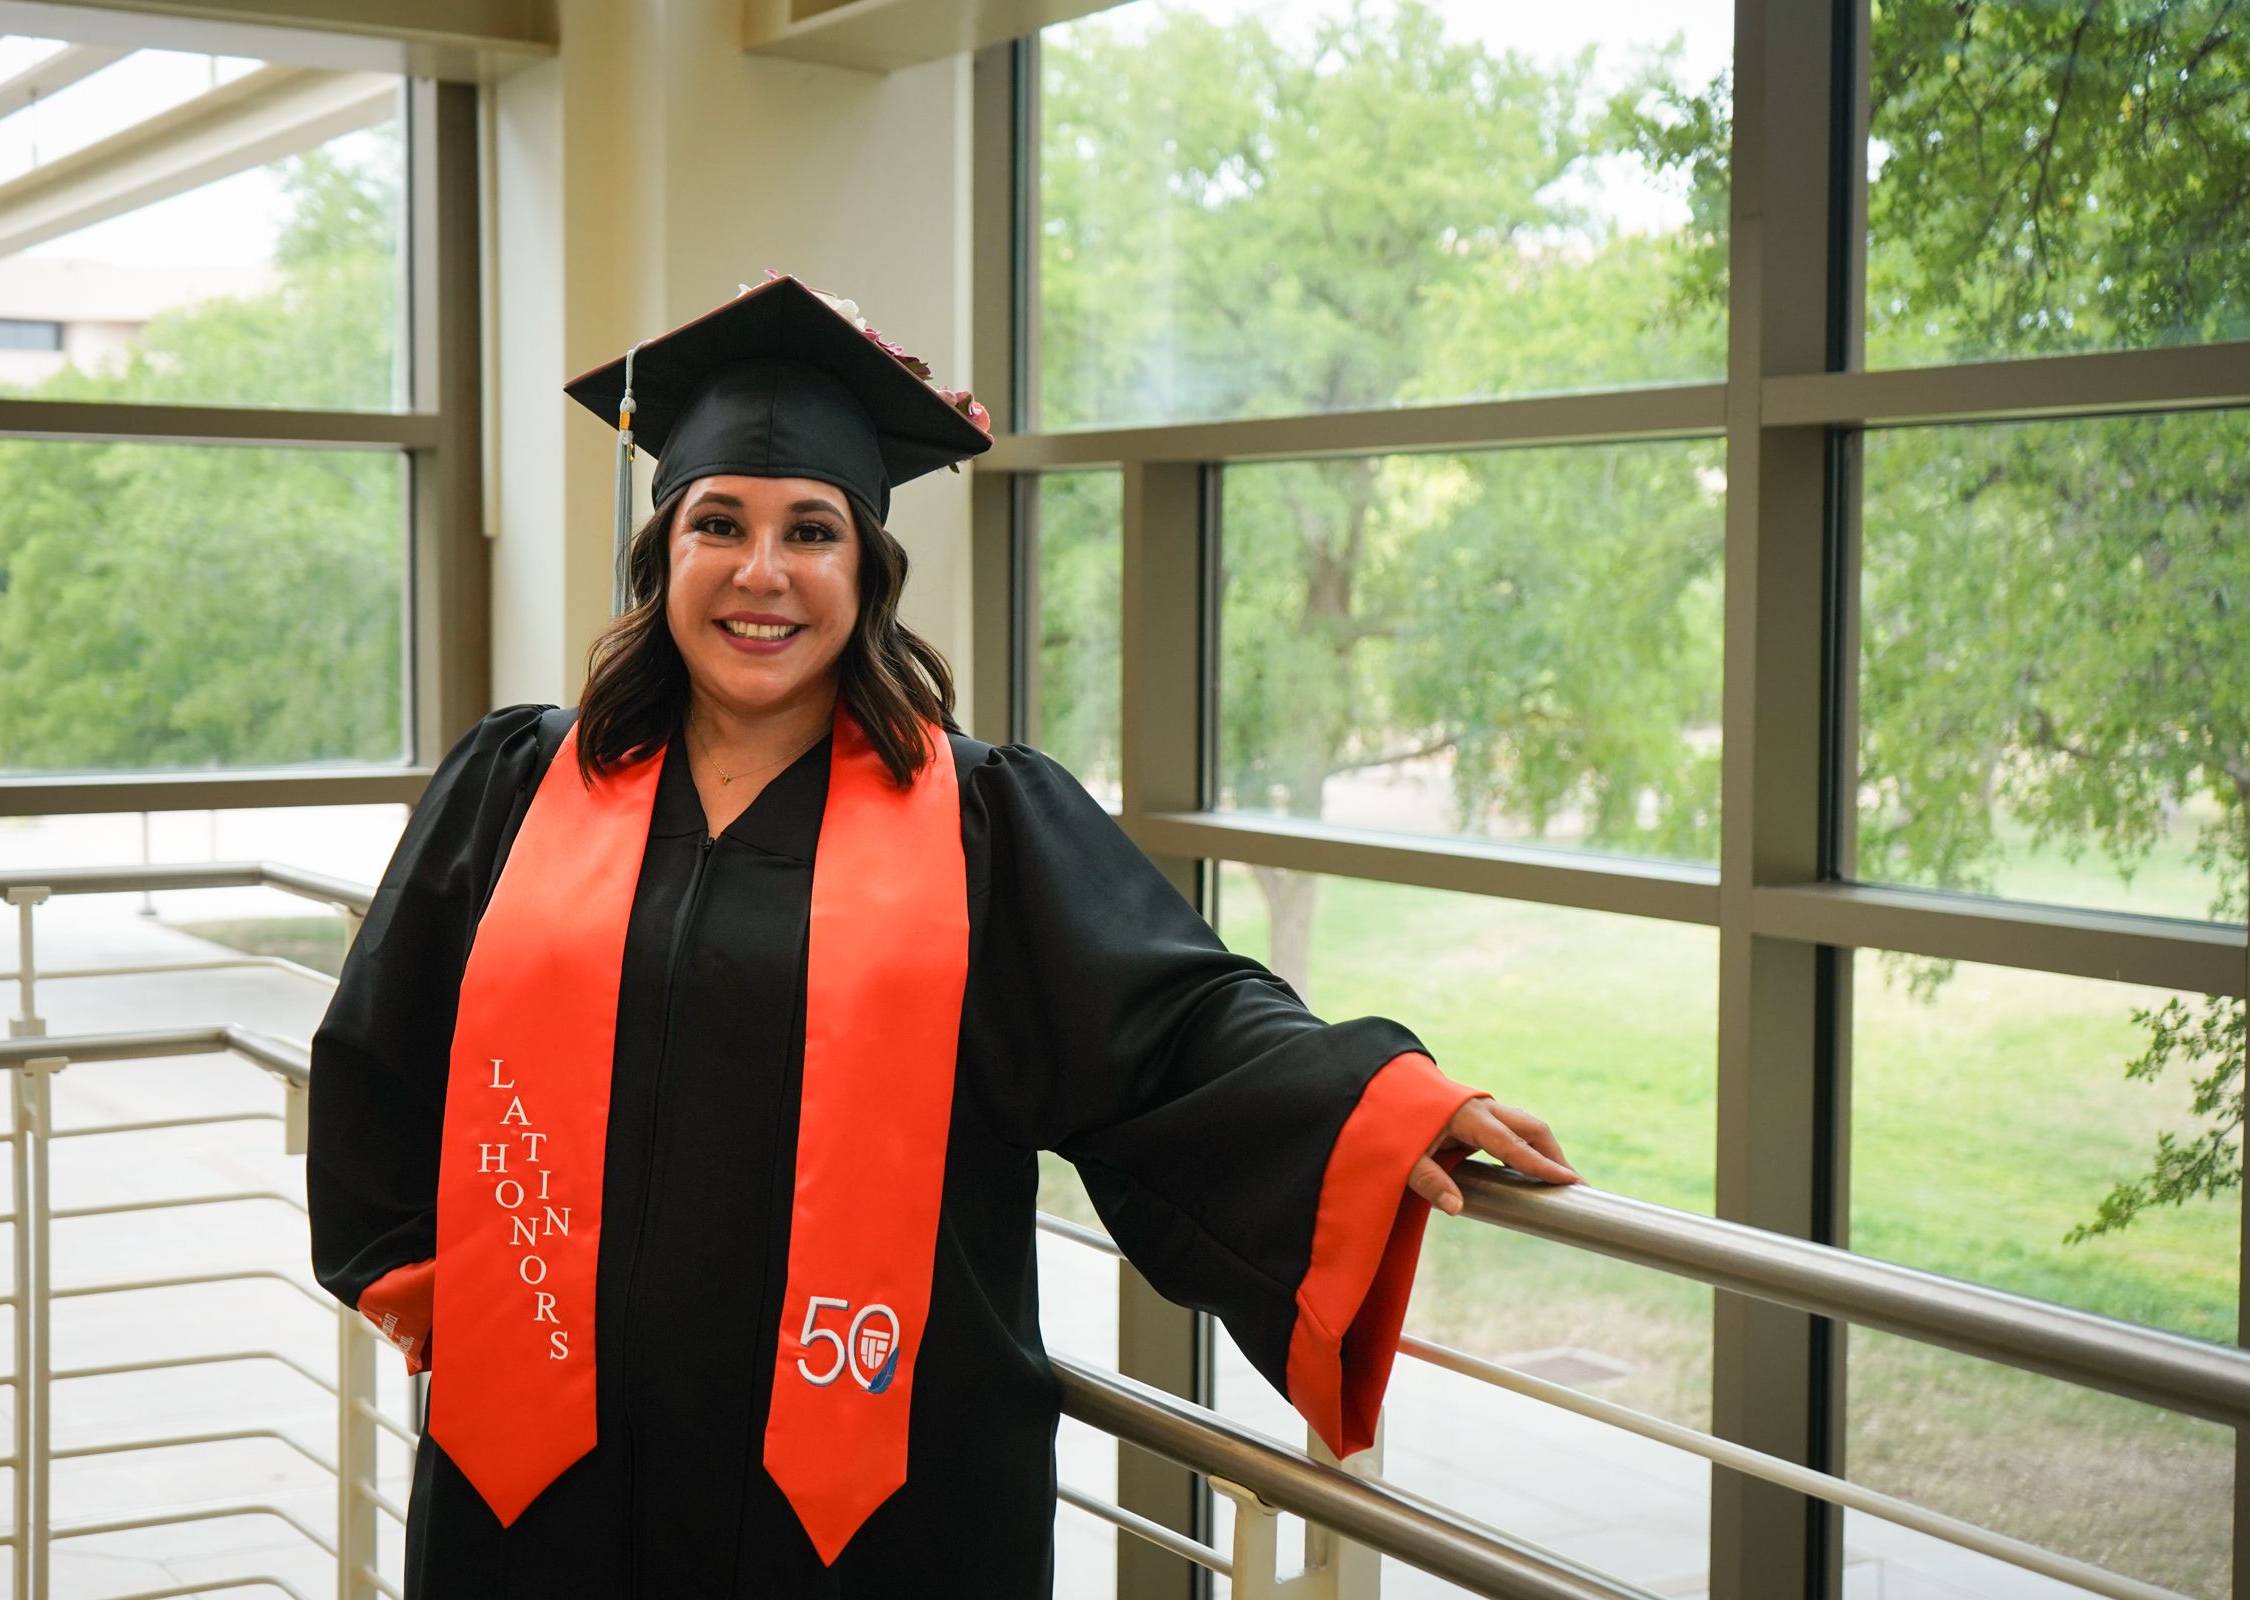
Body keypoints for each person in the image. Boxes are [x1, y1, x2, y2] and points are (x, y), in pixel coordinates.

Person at [304, 270, 1580, 1598]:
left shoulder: (980, 821)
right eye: (719, 525)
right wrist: (435, 1282)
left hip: (878, 1479)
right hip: (546, 1477)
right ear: (663, 552)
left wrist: (1379, 1106)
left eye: (811, 533)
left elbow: (1172, 1024)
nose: (762, 573)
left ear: (867, 569)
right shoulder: (515, 785)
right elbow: (386, 1036)